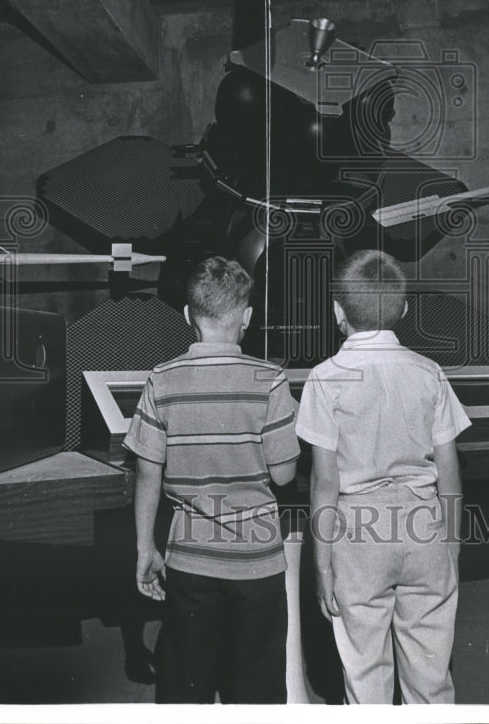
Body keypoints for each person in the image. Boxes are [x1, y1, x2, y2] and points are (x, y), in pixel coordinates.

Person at [296, 249, 471, 704]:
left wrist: (321, 564)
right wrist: (450, 547)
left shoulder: (324, 378)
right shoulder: (429, 373)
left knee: (365, 674)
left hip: (358, 535)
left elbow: (324, 485)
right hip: (425, 527)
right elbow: (450, 475)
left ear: (338, 312)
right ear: (404, 310)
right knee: (432, 680)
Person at [123, 256, 300, 704]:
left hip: (190, 564)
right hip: (257, 563)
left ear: (188, 316)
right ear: (247, 317)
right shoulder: (271, 380)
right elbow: (284, 475)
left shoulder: (161, 380)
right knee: (257, 689)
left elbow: (147, 472)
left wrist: (146, 548)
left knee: (187, 687)